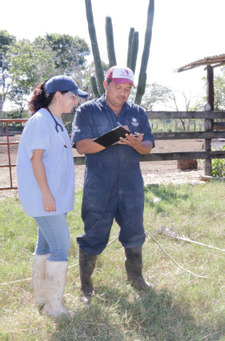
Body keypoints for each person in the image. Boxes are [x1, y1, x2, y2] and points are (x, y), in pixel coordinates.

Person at [71, 66, 155, 301]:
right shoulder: (87, 111)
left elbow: (148, 146)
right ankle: (86, 285)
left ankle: (136, 278)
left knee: (134, 232)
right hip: (99, 185)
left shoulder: (138, 111)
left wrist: (136, 144)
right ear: (106, 85)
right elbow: (82, 146)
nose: (123, 93)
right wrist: (114, 137)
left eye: (127, 89)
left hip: (131, 184)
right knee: (94, 233)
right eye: (118, 87)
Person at [17, 76, 88, 318]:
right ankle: (53, 307)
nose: (76, 101)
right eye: (73, 96)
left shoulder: (54, 120)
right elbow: (35, 160)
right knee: (61, 245)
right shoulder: (40, 122)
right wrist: (47, 194)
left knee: (45, 245)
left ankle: (42, 297)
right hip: (45, 197)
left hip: (53, 196)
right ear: (58, 95)